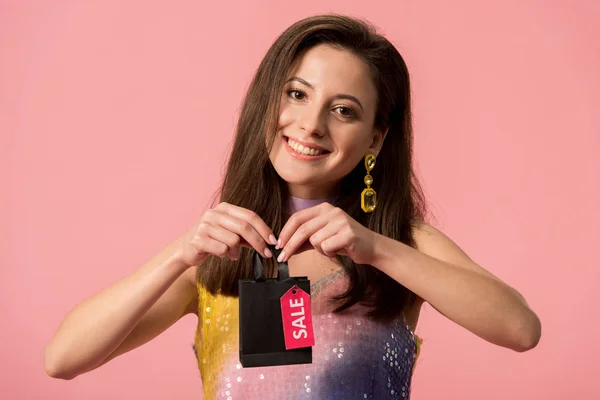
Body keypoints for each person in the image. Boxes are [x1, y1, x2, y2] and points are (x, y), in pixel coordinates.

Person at [44, 14, 541, 399]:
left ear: (375, 139)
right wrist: (178, 254)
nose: (310, 124)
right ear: (268, 102)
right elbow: (62, 358)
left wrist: (375, 248)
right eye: (297, 94)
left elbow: (520, 329)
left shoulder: (401, 244)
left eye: (344, 110)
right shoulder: (216, 261)